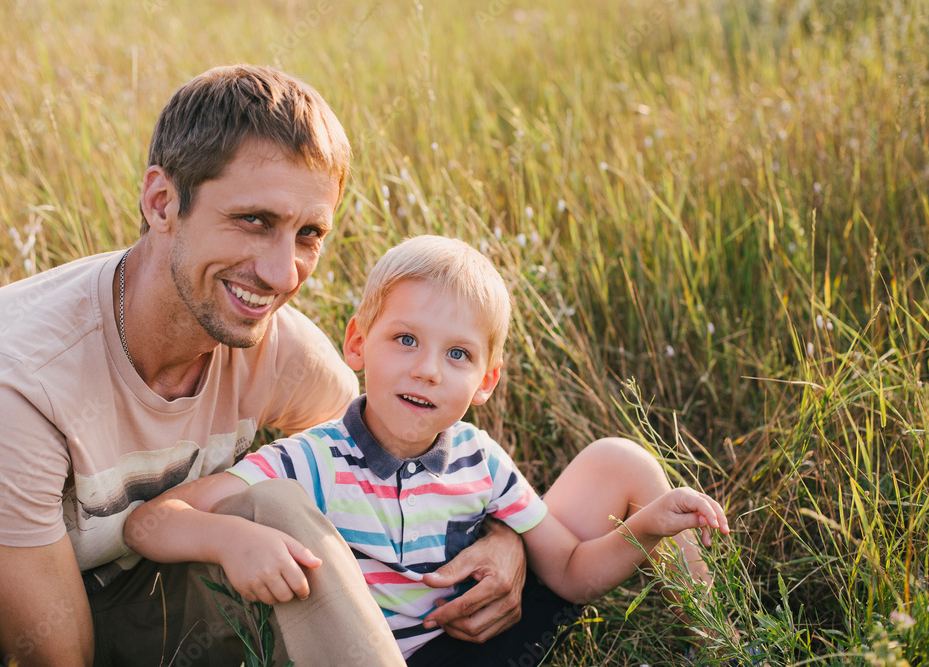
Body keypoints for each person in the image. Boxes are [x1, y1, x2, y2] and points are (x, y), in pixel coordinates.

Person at [0, 66, 527, 667]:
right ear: (163, 203)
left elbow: (400, 445)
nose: (282, 273)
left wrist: (505, 539)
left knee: (280, 512)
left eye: (308, 234)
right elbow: (52, 657)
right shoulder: (9, 379)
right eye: (255, 221)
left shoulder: (277, 345)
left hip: (147, 588)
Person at [124, 235, 730, 664]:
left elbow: (571, 574)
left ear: (487, 381)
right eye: (406, 340)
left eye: (458, 354)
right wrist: (234, 538)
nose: (428, 371)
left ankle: (725, 642)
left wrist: (644, 529)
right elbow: (151, 522)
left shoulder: (479, 459)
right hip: (369, 655)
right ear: (358, 342)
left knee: (620, 459)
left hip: (477, 638)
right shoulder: (312, 460)